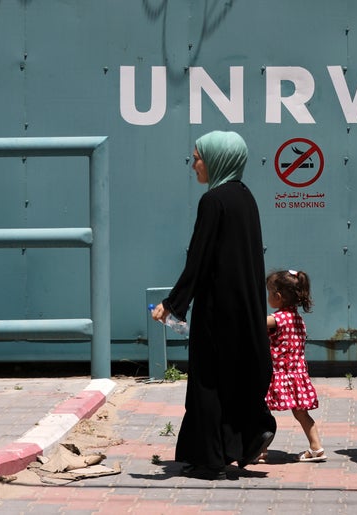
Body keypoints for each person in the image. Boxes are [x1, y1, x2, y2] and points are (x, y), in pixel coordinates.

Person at [150, 130, 276, 480]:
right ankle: (243, 437)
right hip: (245, 307)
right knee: (233, 378)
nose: (193, 164)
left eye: (198, 157)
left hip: (217, 310)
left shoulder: (214, 201)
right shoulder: (245, 197)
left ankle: (211, 458)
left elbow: (200, 260)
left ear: (218, 159)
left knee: (207, 382)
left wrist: (173, 304)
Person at [255, 269, 326, 464]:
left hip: (277, 374)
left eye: (270, 293)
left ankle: (260, 451)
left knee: (261, 411)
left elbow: (255, 323)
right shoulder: (297, 319)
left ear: (278, 297)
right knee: (301, 413)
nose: (268, 297)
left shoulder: (277, 319)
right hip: (296, 374)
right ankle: (316, 447)